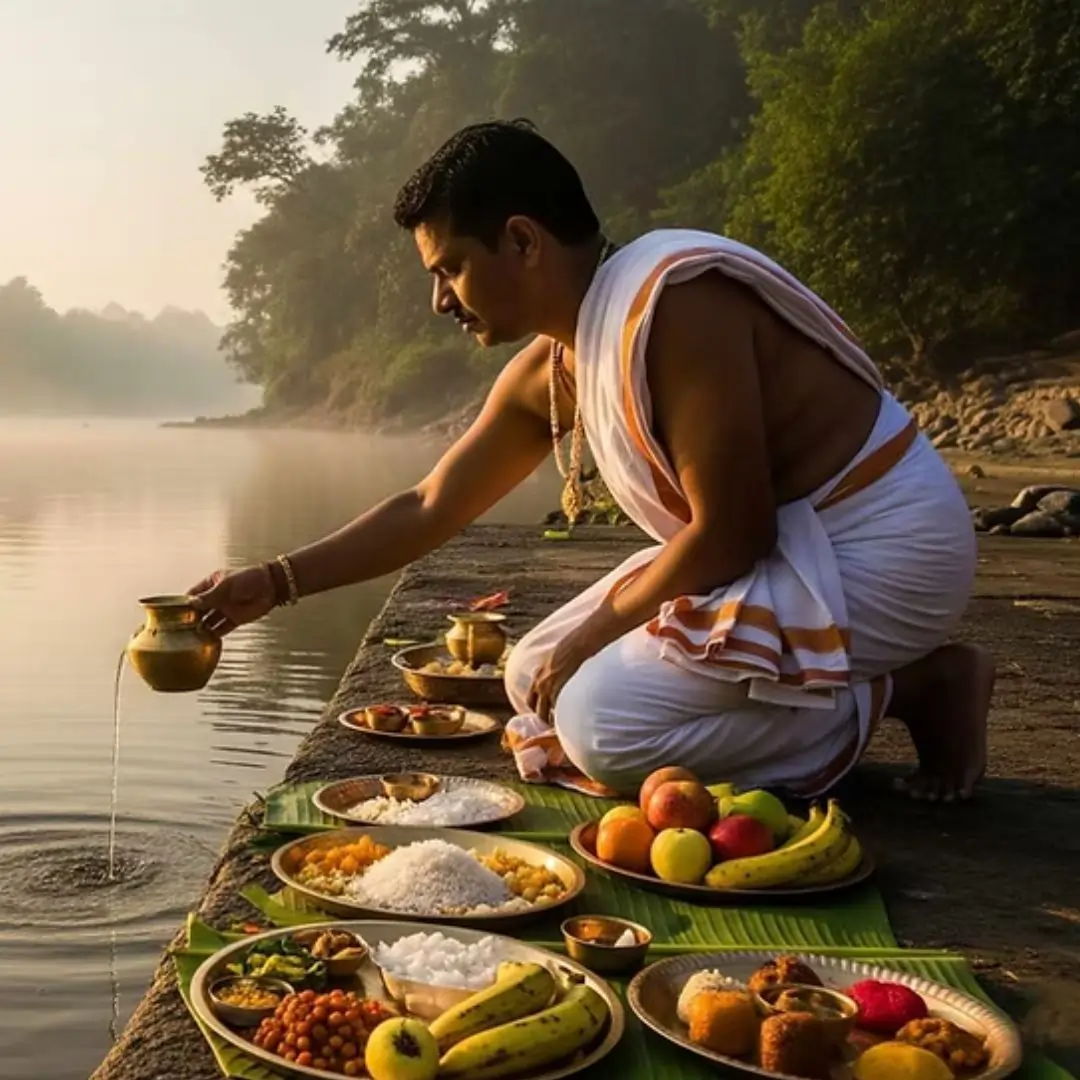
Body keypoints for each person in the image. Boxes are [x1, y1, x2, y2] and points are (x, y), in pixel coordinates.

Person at [189, 119, 993, 802]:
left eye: (449, 269)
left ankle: (912, 687)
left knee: (601, 727)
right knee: (530, 674)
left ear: (522, 240)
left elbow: (732, 534)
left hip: (885, 549)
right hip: (786, 552)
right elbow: (432, 504)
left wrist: (597, 634)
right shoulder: (557, 363)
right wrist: (274, 581)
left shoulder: (674, 306)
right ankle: (851, 692)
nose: (439, 301)